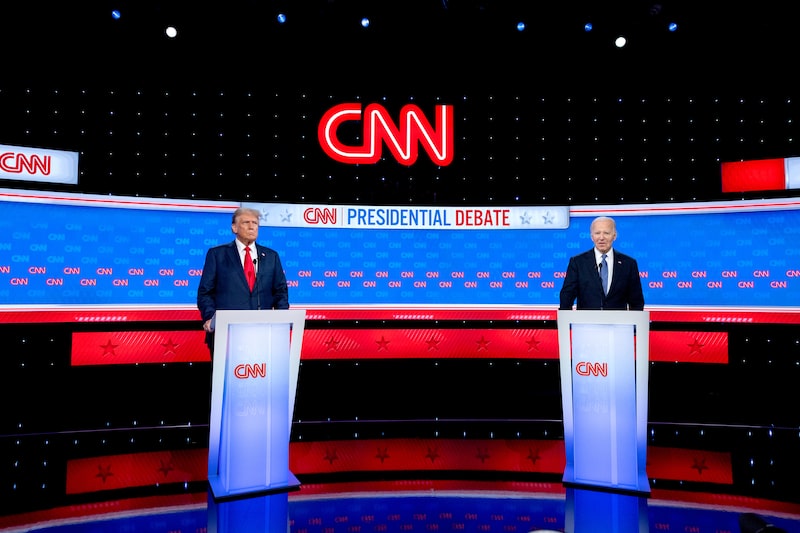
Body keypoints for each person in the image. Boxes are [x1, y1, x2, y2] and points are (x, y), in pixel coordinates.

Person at [197, 206, 289, 354]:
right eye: (246, 222)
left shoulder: (271, 256)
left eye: (255, 223)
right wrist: (210, 318)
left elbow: (281, 292)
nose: (252, 226)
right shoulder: (217, 255)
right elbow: (205, 292)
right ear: (234, 227)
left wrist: (281, 321)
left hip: (263, 334)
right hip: (226, 333)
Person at [559, 216, 644, 311]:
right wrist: (566, 321)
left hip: (619, 323)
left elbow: (636, 301)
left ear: (614, 236)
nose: (601, 238)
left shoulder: (628, 264)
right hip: (586, 323)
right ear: (592, 237)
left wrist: (635, 323)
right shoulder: (578, 262)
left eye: (606, 233)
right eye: (597, 233)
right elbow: (567, 296)